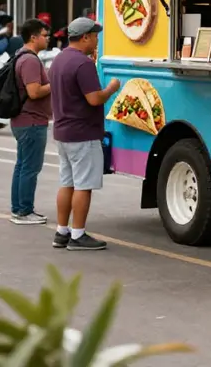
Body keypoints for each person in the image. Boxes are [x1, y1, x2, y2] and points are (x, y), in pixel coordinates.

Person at [49, 17, 120, 251]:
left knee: (66, 182)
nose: (97, 41)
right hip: (83, 133)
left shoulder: (59, 60)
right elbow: (94, 98)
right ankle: (78, 235)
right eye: (95, 36)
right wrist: (111, 88)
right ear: (85, 37)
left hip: (62, 131)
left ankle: (62, 231)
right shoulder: (83, 63)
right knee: (83, 185)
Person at [9, 19, 52, 225]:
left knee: (22, 165)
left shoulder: (20, 55)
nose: (48, 38)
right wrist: (53, 83)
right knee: (30, 167)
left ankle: (18, 209)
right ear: (34, 37)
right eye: (45, 35)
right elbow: (34, 92)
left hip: (22, 120)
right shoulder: (30, 60)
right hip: (32, 121)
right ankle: (25, 211)